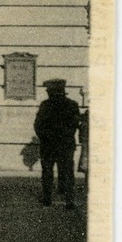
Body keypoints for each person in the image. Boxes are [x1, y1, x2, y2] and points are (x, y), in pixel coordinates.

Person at [34, 78, 83, 209]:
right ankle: (69, 201)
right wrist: (67, 135)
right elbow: (75, 124)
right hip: (66, 144)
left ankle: (47, 199)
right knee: (67, 172)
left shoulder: (45, 105)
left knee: (47, 172)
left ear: (50, 92)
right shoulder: (72, 104)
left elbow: (38, 125)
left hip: (48, 145)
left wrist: (45, 138)